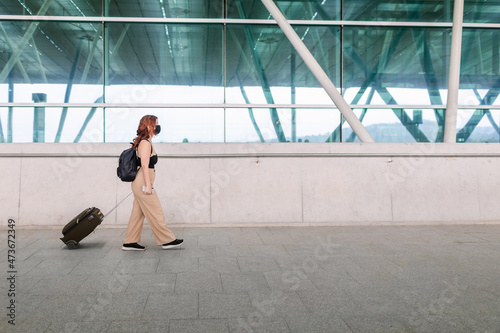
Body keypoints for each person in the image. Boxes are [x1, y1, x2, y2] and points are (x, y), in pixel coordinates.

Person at [122, 115, 183, 251]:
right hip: (143, 182)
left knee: (137, 214)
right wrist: (148, 186)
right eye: (156, 124)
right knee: (156, 210)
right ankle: (167, 240)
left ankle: (130, 242)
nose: (157, 127)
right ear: (149, 126)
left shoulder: (146, 141)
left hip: (142, 181)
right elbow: (144, 165)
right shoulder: (145, 143)